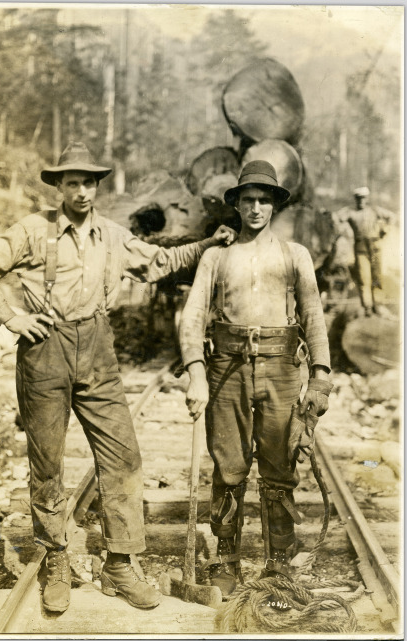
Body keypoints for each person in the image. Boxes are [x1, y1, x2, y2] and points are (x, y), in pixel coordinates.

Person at [0, 141, 235, 614]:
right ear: (59, 187)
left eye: (89, 182)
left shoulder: (110, 235)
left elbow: (158, 262)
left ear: (97, 186)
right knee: (47, 465)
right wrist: (12, 318)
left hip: (98, 352)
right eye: (72, 182)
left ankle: (120, 564)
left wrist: (209, 244)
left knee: (123, 458)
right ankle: (56, 560)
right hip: (45, 352)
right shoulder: (33, 229)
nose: (82, 191)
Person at [179, 160, 332, 597]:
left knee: (280, 466)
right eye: (248, 199)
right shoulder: (216, 256)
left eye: (265, 200)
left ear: (275, 205)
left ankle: (278, 562)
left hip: (282, 368)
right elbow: (192, 318)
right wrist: (195, 374)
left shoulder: (294, 255)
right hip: (226, 367)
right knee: (229, 466)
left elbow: (314, 315)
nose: (256, 208)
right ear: (237, 204)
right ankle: (226, 560)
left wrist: (320, 376)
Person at [335, 186, 390, 316]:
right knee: (364, 278)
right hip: (361, 249)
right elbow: (336, 217)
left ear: (367, 198)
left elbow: (391, 217)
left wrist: (385, 229)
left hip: (375, 246)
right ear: (355, 199)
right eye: (358, 198)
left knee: (377, 276)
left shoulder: (375, 210)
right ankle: (367, 307)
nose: (361, 201)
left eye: (363, 198)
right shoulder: (351, 212)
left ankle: (379, 305)